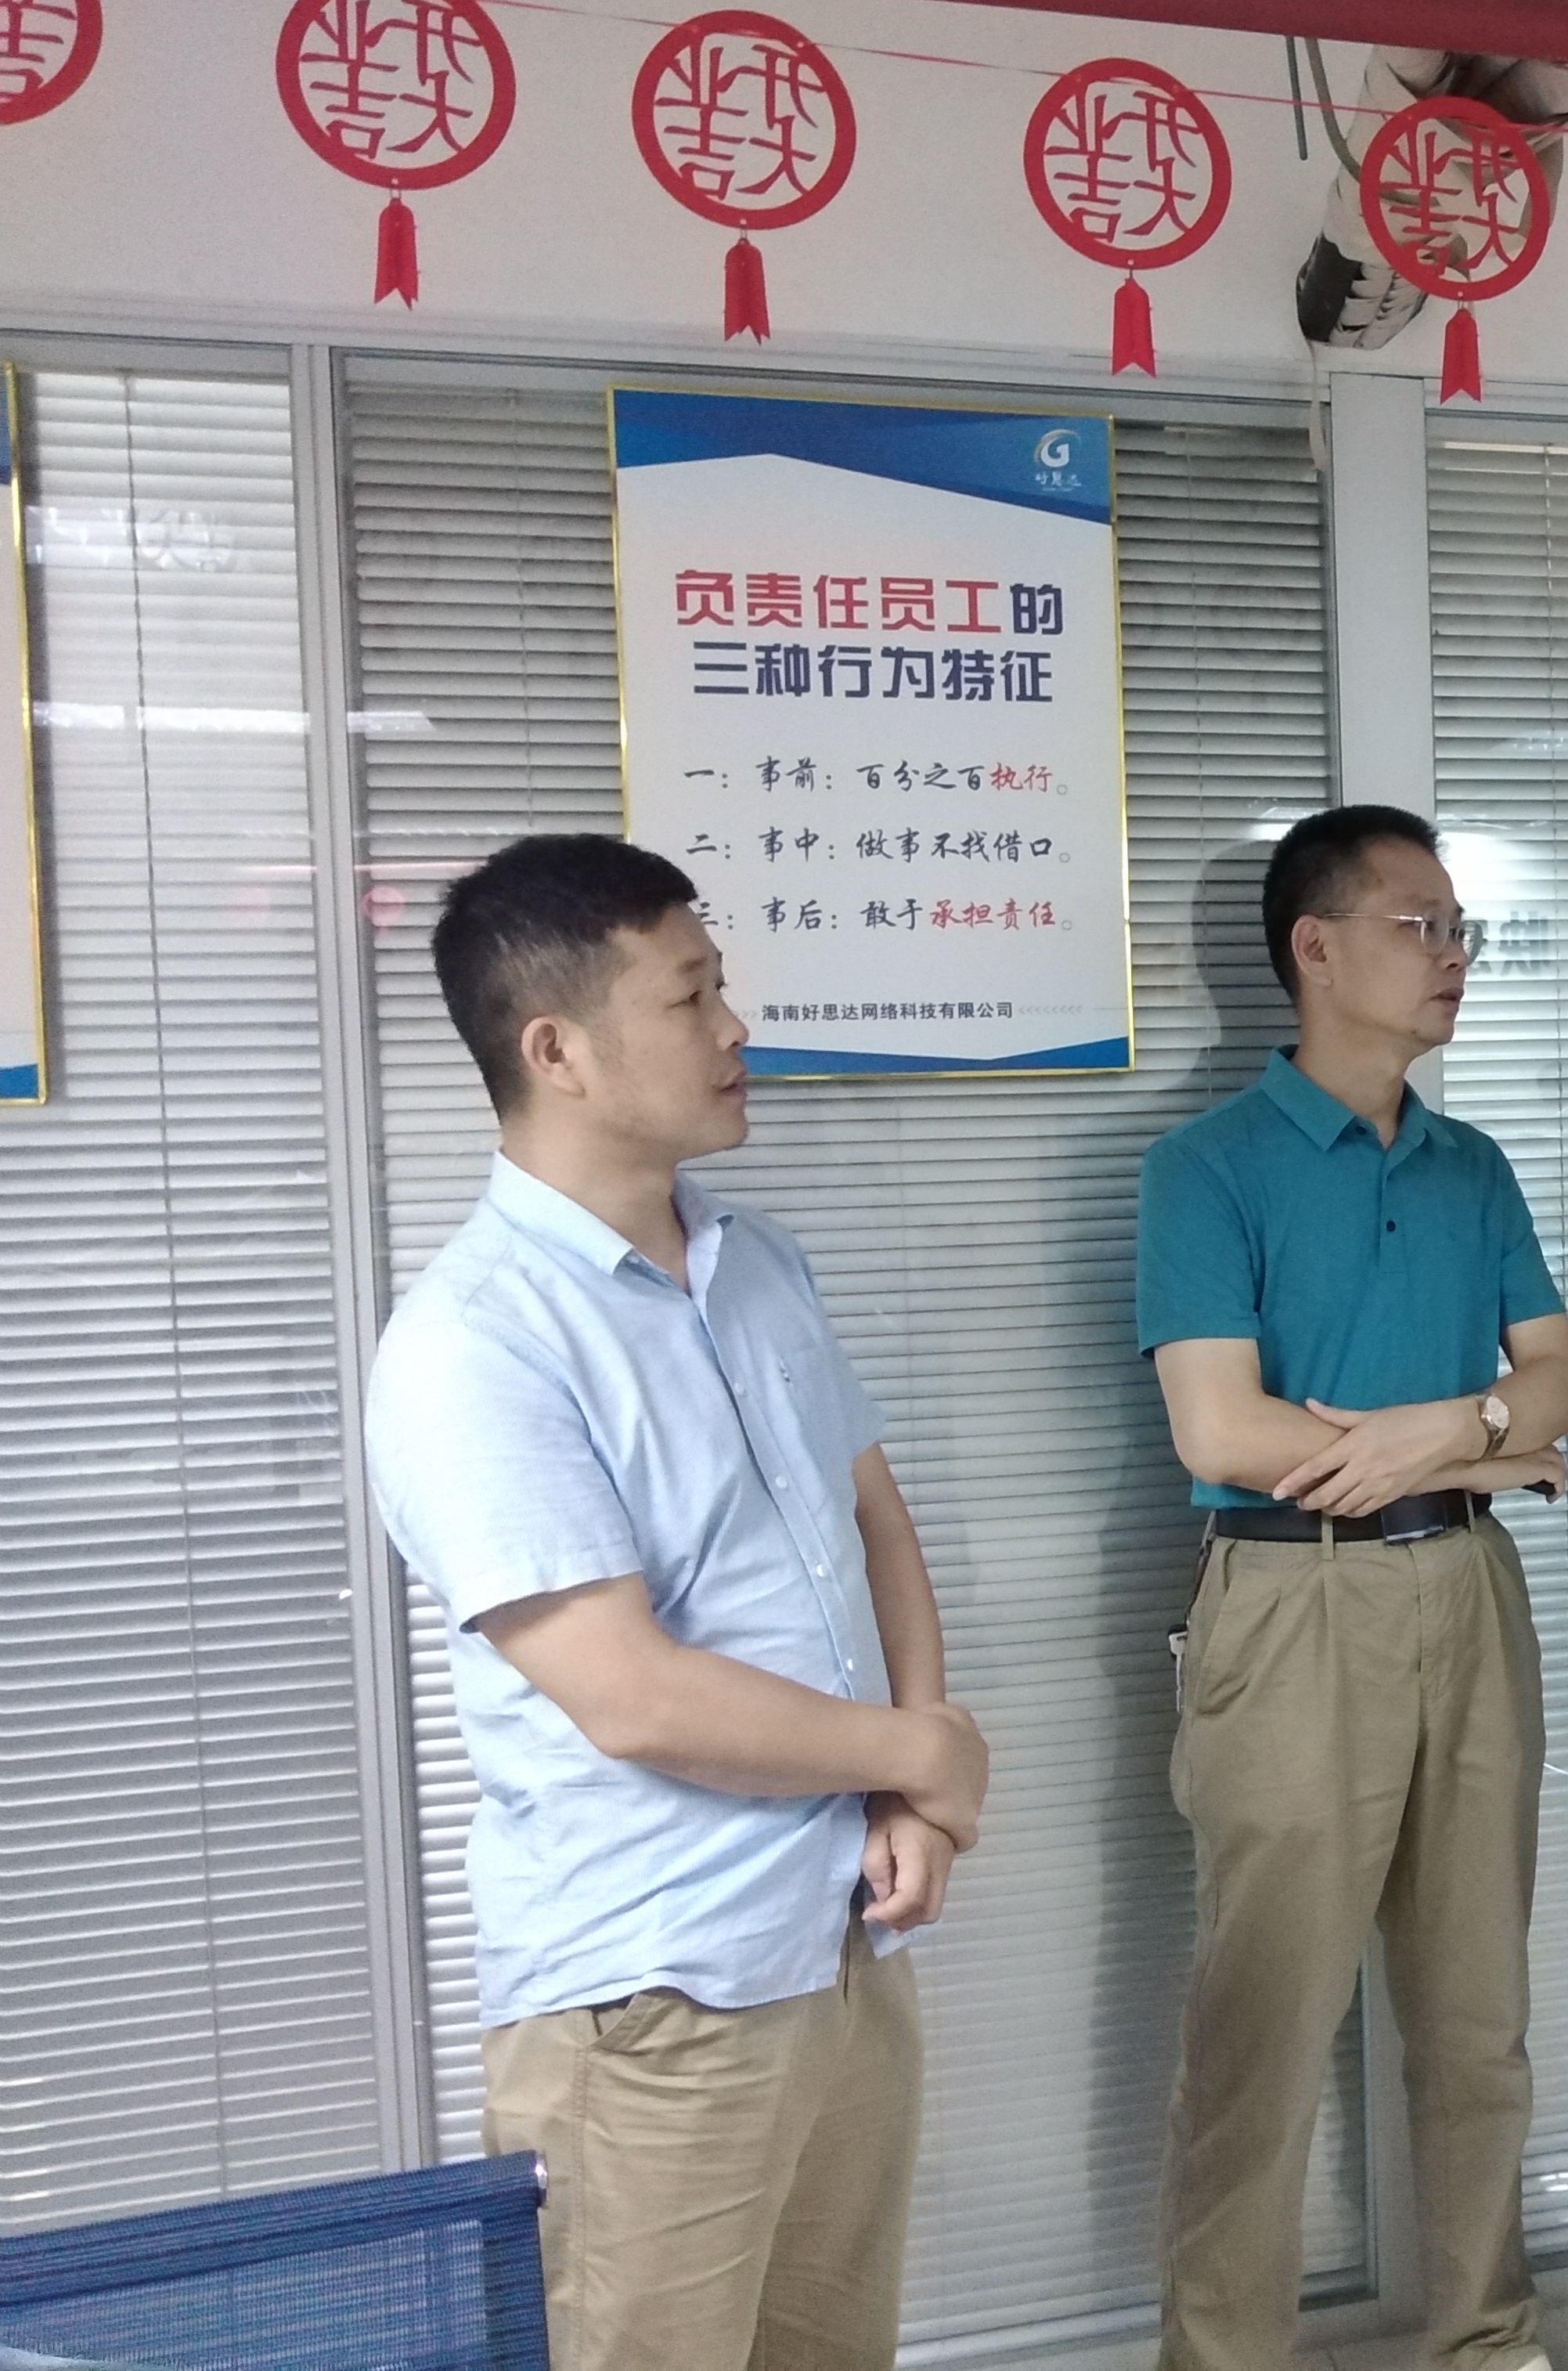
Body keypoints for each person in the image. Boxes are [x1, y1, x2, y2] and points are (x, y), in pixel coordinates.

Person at [366, 834, 989, 2371]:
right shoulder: (474, 1344)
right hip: (650, 1998)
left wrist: (911, 1793)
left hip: (842, 1940)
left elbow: (871, 1521)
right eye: (691, 995)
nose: (734, 1027)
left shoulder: (754, 1264)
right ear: (557, 1051)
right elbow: (630, 1694)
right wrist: (916, 1751)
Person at [1136, 804, 1568, 2371]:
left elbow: (1566, 1384)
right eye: (1420, 925)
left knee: (1476, 2022)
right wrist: (1483, 1442)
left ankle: (1486, 2339)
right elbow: (1220, 1429)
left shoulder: (1473, 1167)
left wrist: (1442, 1434)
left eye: (1461, 928)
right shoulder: (1207, 1168)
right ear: (1314, 949)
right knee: (1259, 2036)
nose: (1453, 954)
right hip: (1291, 1607)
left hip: (1465, 1592)